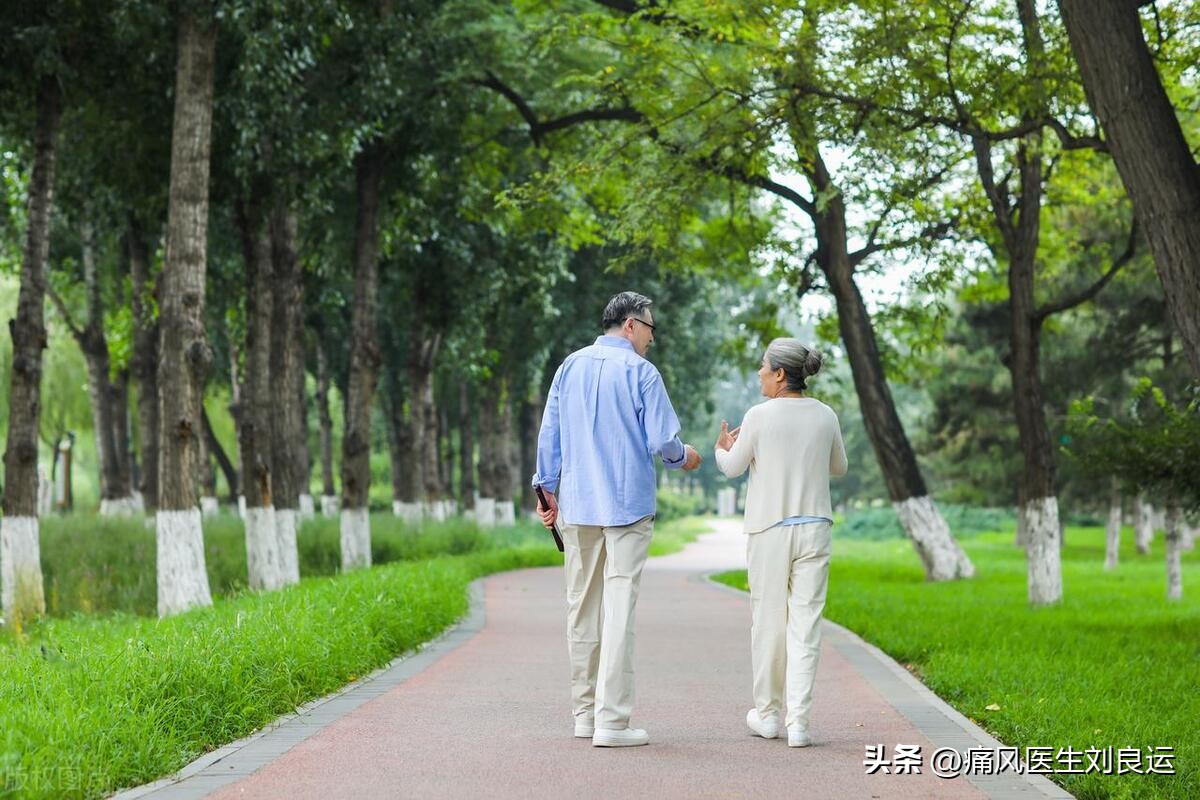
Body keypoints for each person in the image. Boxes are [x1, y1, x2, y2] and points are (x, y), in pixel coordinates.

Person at [533, 291, 702, 748]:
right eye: (650, 327)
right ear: (630, 324)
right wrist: (683, 457)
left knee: (581, 607)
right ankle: (613, 722)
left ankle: (585, 715)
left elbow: (550, 434)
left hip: (578, 504)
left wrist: (545, 489)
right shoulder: (642, 372)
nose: (652, 337)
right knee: (619, 606)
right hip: (627, 505)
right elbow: (663, 441)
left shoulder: (569, 367)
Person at [714, 338, 847, 748]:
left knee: (768, 622)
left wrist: (723, 449)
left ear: (779, 374)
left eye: (763, 366)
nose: (759, 372)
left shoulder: (759, 416)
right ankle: (800, 723)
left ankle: (768, 716)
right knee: (806, 625)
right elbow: (838, 467)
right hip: (815, 528)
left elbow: (733, 468)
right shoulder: (826, 415)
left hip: (770, 529)